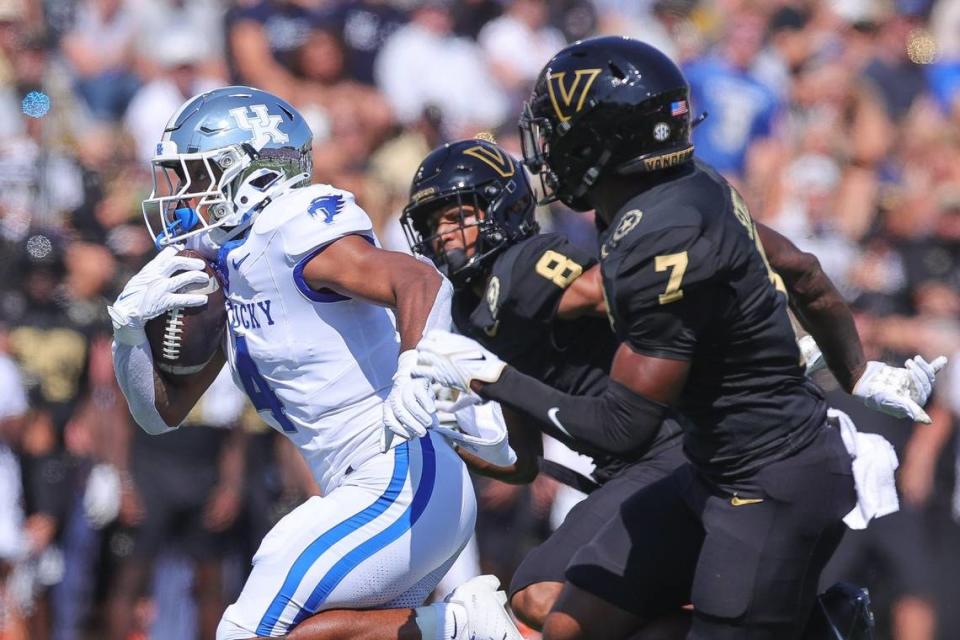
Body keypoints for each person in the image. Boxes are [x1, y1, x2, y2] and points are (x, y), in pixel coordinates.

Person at [410, 38, 946, 639]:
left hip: (765, 477)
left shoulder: (647, 240)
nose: (549, 151)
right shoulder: (680, 191)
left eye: (559, 132)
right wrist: (857, 373)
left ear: (602, 138)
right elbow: (800, 271)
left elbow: (624, 425)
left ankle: (820, 625)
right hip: (707, 464)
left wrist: (492, 377)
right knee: (561, 621)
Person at [108, 86, 520, 640]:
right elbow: (159, 414)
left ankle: (457, 627)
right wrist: (128, 333)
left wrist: (414, 372)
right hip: (374, 492)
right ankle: (451, 628)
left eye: (196, 174)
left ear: (252, 174)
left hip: (399, 478)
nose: (182, 195)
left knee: (245, 631)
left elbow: (417, 278)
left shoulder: (293, 224)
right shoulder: (229, 264)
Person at [400, 137, 685, 631]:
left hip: (661, 448)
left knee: (543, 595)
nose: (441, 234)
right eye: (431, 224)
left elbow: (611, 291)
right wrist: (451, 442)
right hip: (623, 465)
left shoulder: (524, 264)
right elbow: (525, 461)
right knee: (546, 600)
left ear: (499, 208)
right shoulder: (472, 310)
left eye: (454, 217)